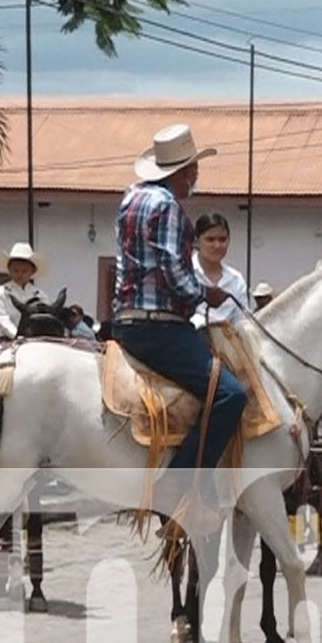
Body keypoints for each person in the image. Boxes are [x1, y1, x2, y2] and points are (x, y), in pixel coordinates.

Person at [111, 123, 242, 522]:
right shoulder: (167, 206)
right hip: (160, 327)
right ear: (181, 172)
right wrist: (206, 294)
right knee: (231, 395)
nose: (196, 178)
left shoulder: (129, 198)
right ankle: (179, 482)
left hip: (125, 321)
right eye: (193, 171)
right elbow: (173, 271)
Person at [189, 212, 251, 328]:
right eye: (210, 240)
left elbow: (242, 323)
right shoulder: (186, 274)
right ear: (197, 241)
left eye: (222, 240)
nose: (217, 245)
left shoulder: (236, 280)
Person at [0, 243, 49, 343]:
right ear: (9, 270)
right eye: (16, 270)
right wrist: (16, 335)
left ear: (32, 272)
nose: (20, 274)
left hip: (33, 339)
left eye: (24, 271)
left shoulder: (40, 295)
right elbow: (2, 318)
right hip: (1, 338)